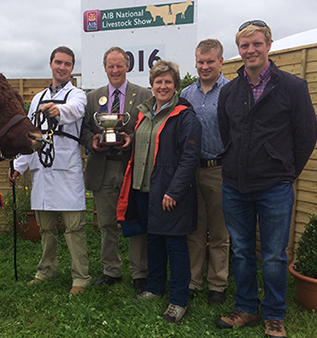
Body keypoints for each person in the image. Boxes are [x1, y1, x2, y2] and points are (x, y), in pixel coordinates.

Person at [216, 21, 317, 338]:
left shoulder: (293, 87)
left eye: (256, 44)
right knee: (242, 251)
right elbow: (225, 134)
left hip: (275, 187)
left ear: (268, 45)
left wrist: (286, 171)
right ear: (239, 50)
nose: (250, 50)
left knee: (274, 255)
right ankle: (246, 307)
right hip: (234, 185)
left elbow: (306, 137)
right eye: (244, 46)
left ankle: (274, 315)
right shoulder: (229, 91)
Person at [117, 60, 201, 324]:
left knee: (175, 245)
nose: (162, 86)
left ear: (176, 85)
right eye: (158, 82)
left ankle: (178, 301)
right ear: (151, 86)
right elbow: (143, 146)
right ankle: (154, 288)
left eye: (168, 82)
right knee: (153, 240)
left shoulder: (184, 115)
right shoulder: (144, 114)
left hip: (170, 193)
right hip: (144, 189)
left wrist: (174, 191)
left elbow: (189, 158)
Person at [9, 46, 91, 295]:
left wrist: (59, 110)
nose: (62, 67)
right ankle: (46, 270)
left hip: (66, 168)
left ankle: (81, 277)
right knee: (45, 228)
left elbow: (76, 110)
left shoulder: (77, 95)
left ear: (72, 68)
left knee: (74, 228)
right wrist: (18, 166)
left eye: (67, 64)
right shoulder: (37, 98)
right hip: (42, 168)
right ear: (51, 64)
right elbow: (30, 135)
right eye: (58, 62)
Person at [80, 46, 152, 294]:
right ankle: (111, 269)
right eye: (110, 66)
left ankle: (139, 272)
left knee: (135, 221)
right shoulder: (92, 97)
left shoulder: (144, 95)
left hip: (132, 168)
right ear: (104, 68)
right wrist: (93, 142)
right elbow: (85, 130)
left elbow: (149, 129)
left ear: (127, 66)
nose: (115, 70)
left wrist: (131, 139)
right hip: (102, 168)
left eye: (119, 65)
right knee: (106, 223)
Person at [180, 39, 230, 305]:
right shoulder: (186, 94)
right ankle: (193, 281)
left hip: (219, 169)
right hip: (190, 170)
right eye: (200, 62)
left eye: (210, 61)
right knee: (194, 229)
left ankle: (218, 284)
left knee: (220, 232)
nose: (205, 66)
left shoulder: (231, 91)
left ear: (221, 61)